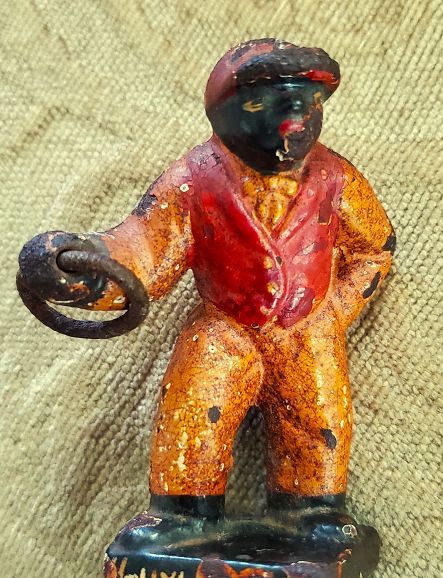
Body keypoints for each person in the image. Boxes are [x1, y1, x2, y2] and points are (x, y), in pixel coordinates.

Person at [18, 38, 395, 538]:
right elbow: (145, 247)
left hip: (306, 333)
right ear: (225, 111)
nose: (293, 123)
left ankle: (312, 513)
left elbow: (374, 248)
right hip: (225, 329)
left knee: (316, 422)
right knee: (194, 413)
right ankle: (182, 515)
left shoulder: (336, 178)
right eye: (266, 104)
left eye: (307, 105)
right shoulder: (194, 179)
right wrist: (84, 272)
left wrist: (333, 312)